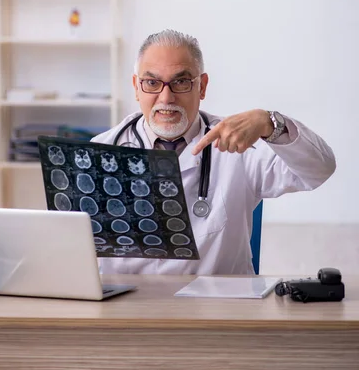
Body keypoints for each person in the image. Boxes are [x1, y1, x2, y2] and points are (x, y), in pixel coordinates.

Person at [92, 29, 336, 275]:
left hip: (219, 307)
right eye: (152, 83)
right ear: (136, 87)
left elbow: (319, 170)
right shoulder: (99, 152)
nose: (166, 97)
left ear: (202, 86)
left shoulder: (240, 143)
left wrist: (270, 123)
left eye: (181, 82)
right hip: (128, 308)